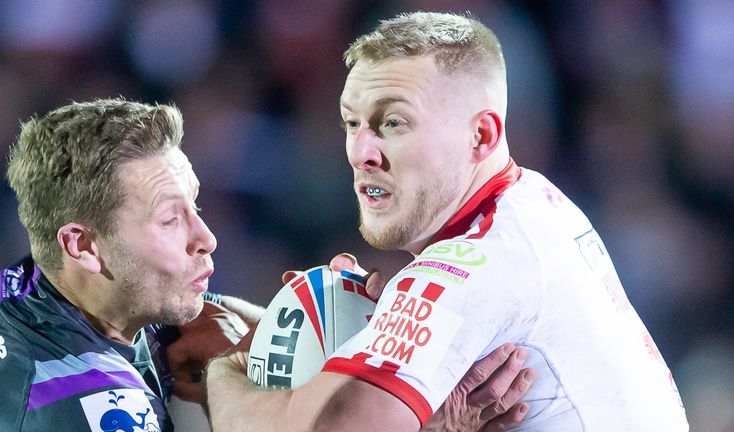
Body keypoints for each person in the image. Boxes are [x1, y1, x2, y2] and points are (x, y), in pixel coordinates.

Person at [205, 11, 690, 431]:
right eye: (352, 123)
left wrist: (225, 375)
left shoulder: (473, 260)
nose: (361, 153)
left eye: (393, 123)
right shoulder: (534, 198)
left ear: (480, 135)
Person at [0, 99, 531, 431]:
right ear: (83, 246)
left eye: (197, 206)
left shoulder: (51, 295)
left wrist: (306, 330)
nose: (206, 238)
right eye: (169, 220)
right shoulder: (83, 405)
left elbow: (220, 336)